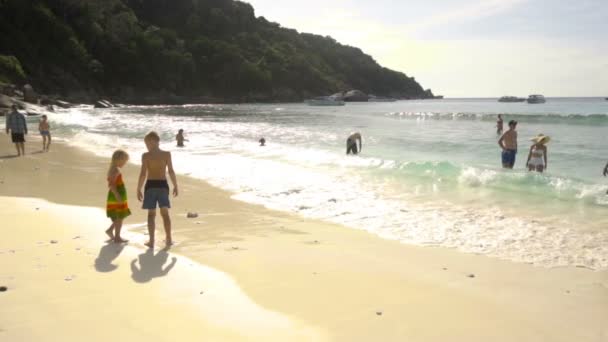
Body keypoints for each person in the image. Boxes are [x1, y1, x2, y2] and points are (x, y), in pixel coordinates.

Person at [137, 131, 179, 248]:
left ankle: (151, 241)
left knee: (151, 214)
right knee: (165, 214)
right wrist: (175, 185)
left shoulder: (146, 156)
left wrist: (138, 188)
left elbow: (143, 174)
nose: (146, 145)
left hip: (150, 185)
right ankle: (169, 239)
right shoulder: (166, 154)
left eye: (147, 142)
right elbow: (170, 171)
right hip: (162, 185)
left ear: (154, 141)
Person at [105, 150, 131, 243]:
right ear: (118, 159)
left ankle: (110, 230)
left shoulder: (114, 169)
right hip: (117, 195)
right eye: (124, 161)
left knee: (120, 216)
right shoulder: (115, 170)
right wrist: (118, 197)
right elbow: (112, 185)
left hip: (118, 195)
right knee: (119, 217)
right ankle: (117, 237)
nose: (125, 163)